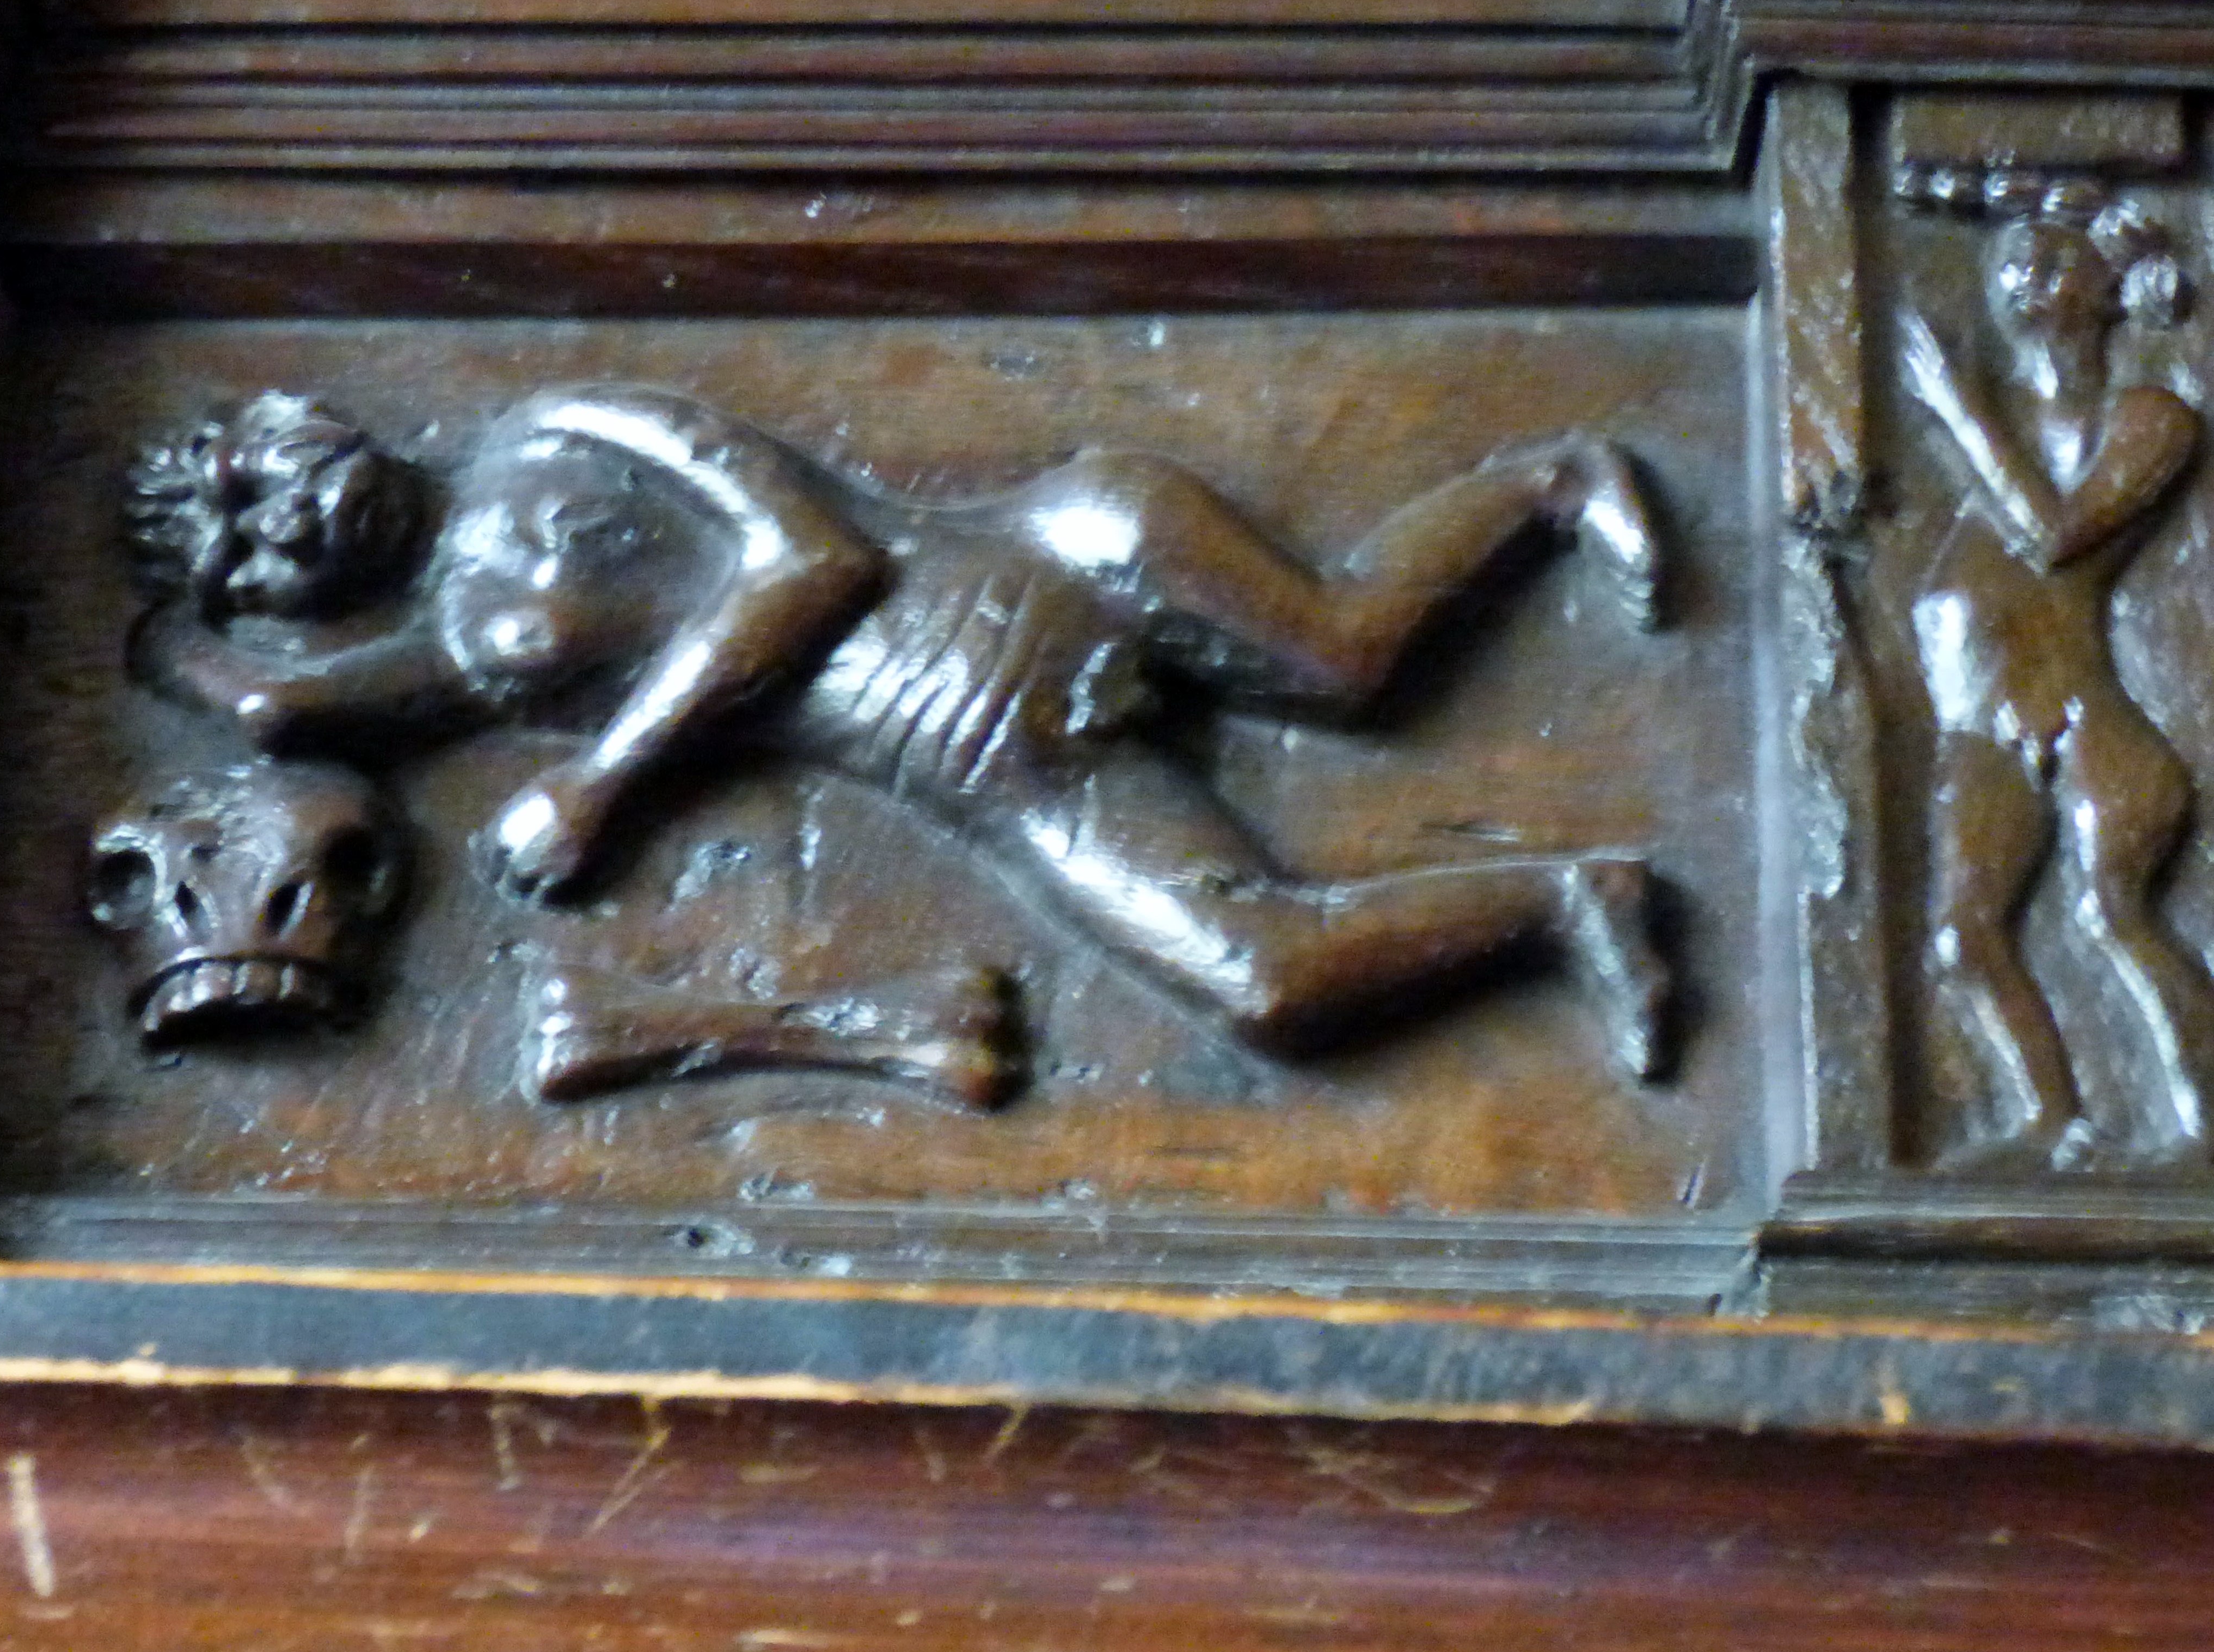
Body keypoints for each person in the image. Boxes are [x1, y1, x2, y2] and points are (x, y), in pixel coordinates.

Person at [131, 384, 1676, 1078]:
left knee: (1344, 660)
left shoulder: (554, 428)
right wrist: (164, 643)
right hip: (985, 756)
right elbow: (285, 705)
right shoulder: (467, 640)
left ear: (301, 412)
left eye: (263, 469)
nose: (288, 514)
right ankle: (1562, 898)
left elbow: (812, 559)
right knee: (1264, 983)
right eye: (248, 543)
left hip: (1049, 565)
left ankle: (1549, 478)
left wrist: (605, 780)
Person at [1896, 170, 2211, 1165]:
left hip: (2079, 720)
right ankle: (2051, 1119)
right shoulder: (2013, 423)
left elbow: (2055, 536)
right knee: (1962, 936)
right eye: (2013, 258)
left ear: (2113, 286)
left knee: (2112, 915)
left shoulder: (2150, 417)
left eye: (2054, 257)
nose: (2023, 271)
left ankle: (2204, 1130)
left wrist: (1957, 407)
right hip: (1976, 723)